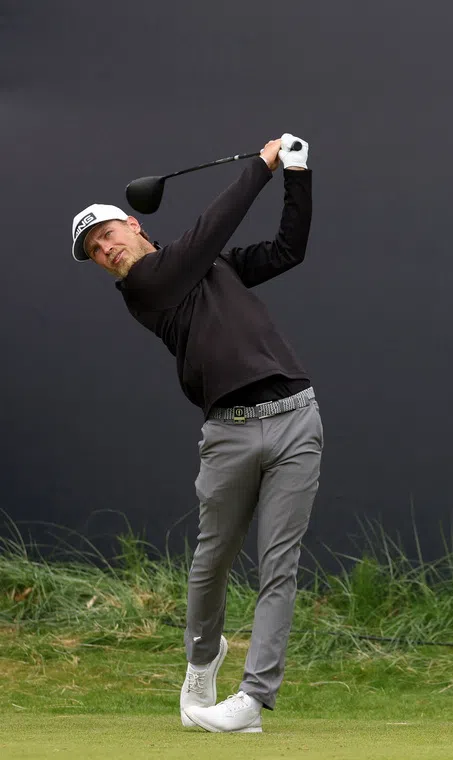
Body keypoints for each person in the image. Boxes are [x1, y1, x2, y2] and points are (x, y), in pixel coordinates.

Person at [69, 134, 322, 734]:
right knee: (212, 564)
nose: (105, 250)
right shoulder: (144, 289)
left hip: (296, 417)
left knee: (279, 566)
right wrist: (261, 166)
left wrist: (297, 173)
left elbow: (289, 250)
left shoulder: (215, 268)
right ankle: (203, 659)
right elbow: (207, 231)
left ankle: (253, 701)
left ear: (133, 224)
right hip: (229, 436)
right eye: (94, 250)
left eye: (107, 235)